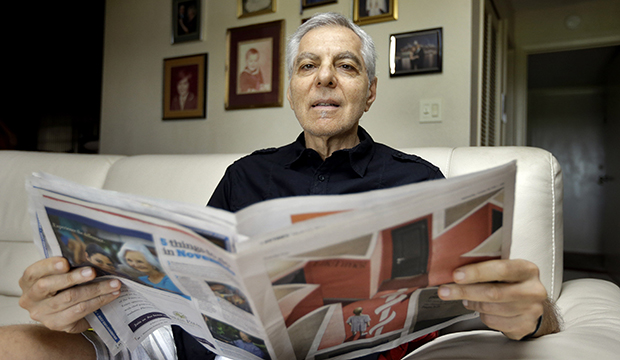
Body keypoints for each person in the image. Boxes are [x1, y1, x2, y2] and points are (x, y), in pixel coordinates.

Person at [0, 12, 560, 360]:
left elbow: (487, 306)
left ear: (368, 92)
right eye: (307, 66)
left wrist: (534, 315)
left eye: (345, 65)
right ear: (291, 90)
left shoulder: (418, 180)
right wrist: (76, 304)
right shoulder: (246, 175)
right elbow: (191, 284)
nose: (323, 78)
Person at [117, 241, 184, 295]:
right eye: (129, 260)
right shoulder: (141, 280)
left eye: (140, 261)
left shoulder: (170, 281)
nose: (135, 265)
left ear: (152, 261)